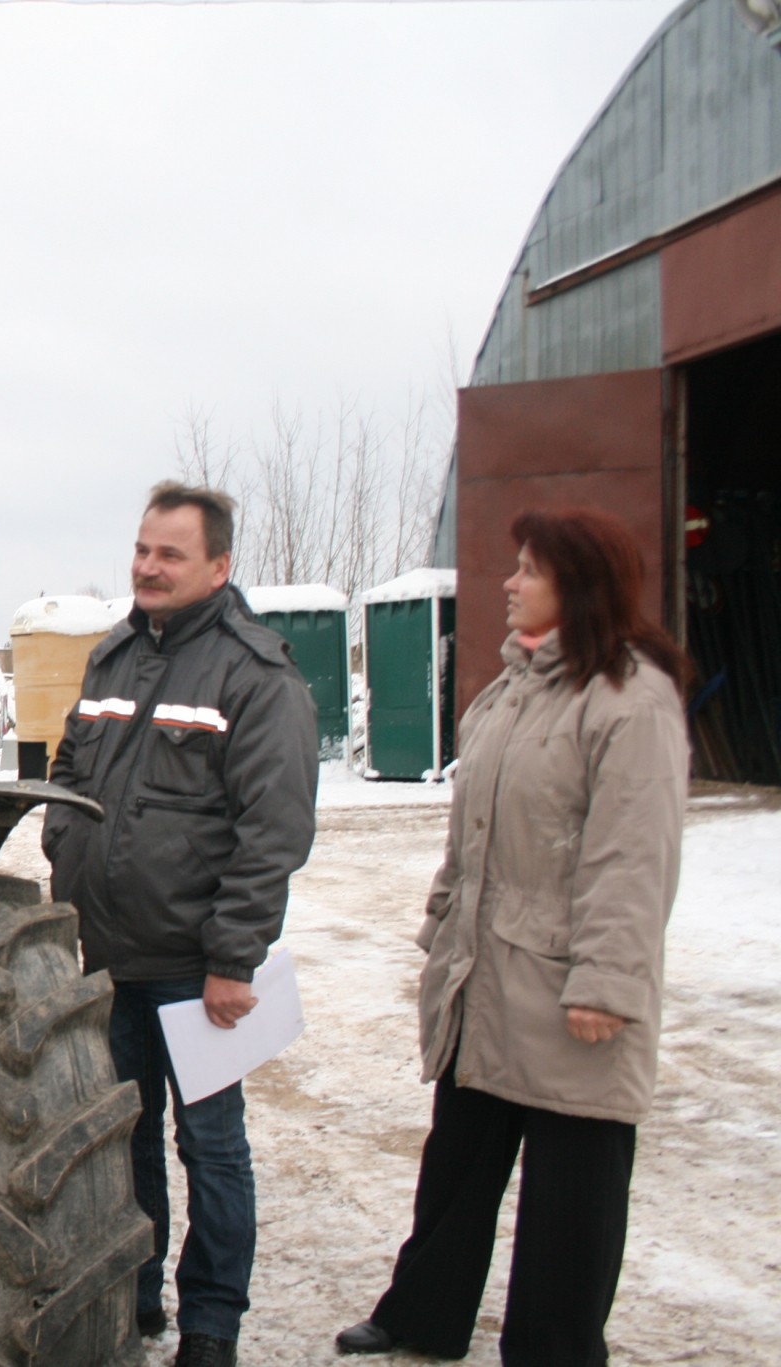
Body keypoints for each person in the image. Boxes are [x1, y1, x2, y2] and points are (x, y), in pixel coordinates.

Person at [336, 508, 691, 1366]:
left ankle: (554, 1345)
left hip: (570, 986)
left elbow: (632, 856)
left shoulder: (630, 700)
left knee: (573, 1195)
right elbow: (473, 837)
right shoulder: (509, 692)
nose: (509, 582)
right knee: (456, 1163)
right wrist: (441, 923)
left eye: (528, 568)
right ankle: (424, 1312)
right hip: (485, 974)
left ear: (580, 583)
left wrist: (606, 981)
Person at [42, 483, 318, 1367]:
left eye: (170, 554)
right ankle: (137, 1289)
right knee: (122, 1140)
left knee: (211, 1148)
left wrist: (234, 958)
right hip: (109, 957)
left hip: (198, 971)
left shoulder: (254, 672)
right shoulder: (114, 655)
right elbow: (69, 760)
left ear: (218, 567)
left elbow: (273, 828)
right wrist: (63, 847)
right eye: (142, 549)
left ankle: (211, 1324)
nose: (148, 568)